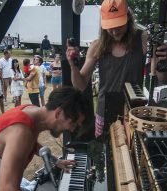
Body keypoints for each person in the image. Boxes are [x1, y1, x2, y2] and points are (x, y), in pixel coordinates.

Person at [66, 0, 167, 138]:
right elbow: (80, 85)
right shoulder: (97, 46)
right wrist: (73, 66)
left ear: (128, 18)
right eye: (109, 26)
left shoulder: (143, 39)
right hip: (104, 112)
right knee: (106, 155)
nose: (114, 31)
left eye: (118, 25)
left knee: (129, 157)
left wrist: (163, 61)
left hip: (133, 113)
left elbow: (162, 78)